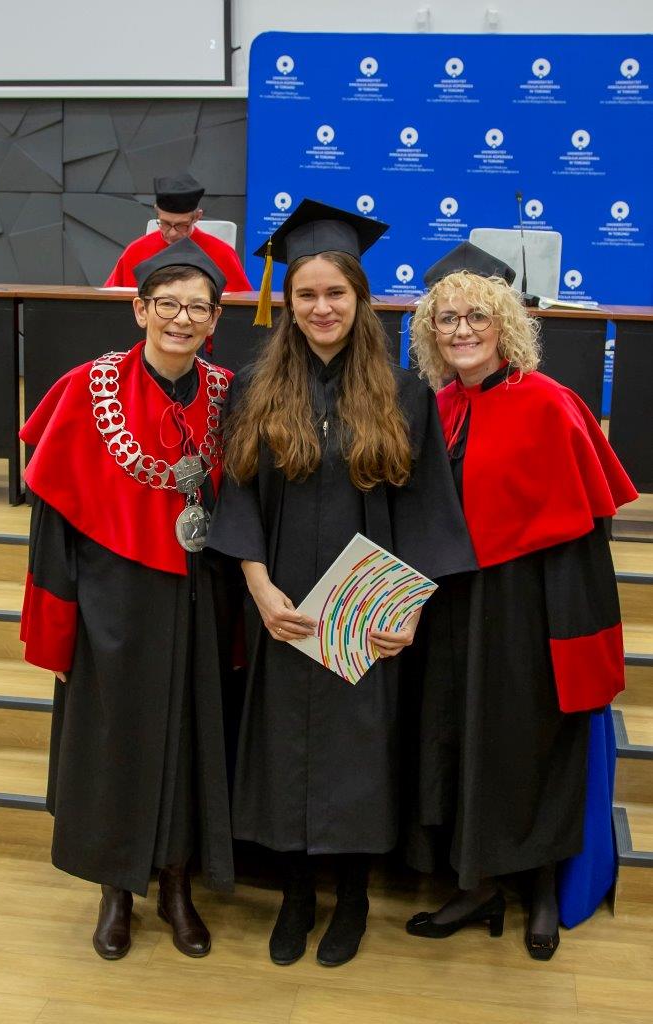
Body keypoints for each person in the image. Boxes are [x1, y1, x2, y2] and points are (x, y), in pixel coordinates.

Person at [205, 200, 475, 968]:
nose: (321, 308)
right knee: (286, 746)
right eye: (306, 295)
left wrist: (410, 609)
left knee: (359, 751)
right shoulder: (256, 388)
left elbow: (426, 508)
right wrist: (259, 588)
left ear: (359, 298)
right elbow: (237, 495)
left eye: (335, 293)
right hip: (287, 601)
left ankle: (351, 898)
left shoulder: (403, 392)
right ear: (287, 303)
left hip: (367, 604)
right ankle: (296, 896)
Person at [405, 241, 637, 960]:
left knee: (528, 745)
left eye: (477, 316)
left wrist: (570, 630)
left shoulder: (549, 404)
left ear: (505, 323)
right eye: (447, 319)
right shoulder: (439, 406)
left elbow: (580, 538)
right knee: (457, 738)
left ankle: (539, 890)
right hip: (451, 607)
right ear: (431, 331)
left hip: (527, 608)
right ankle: (475, 884)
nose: (462, 330)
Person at [20, 237, 236, 960]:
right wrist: (56, 629)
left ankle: (176, 883)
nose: (181, 319)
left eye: (197, 308)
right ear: (140, 309)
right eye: (167, 304)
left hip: (198, 596)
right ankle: (115, 888)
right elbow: (54, 523)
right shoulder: (89, 388)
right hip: (110, 601)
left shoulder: (227, 394)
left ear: (215, 320)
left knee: (188, 739)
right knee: (112, 740)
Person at [104, 173, 252, 291]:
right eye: (165, 224)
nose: (172, 233)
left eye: (181, 225)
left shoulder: (221, 253)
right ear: (157, 212)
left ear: (197, 217)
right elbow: (110, 297)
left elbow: (242, 304)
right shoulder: (135, 251)